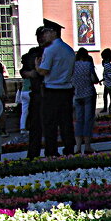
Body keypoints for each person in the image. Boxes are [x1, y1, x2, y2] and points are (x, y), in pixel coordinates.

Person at [36, 19, 76, 157]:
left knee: (50, 123)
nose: (44, 35)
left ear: (53, 33)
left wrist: (37, 66)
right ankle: (69, 149)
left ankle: (51, 151)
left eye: (46, 32)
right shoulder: (69, 50)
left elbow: (44, 71)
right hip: (67, 89)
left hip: (52, 90)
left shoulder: (50, 50)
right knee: (66, 122)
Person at [21, 26, 46, 159]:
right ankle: (33, 154)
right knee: (35, 126)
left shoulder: (52, 52)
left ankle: (52, 152)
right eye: (38, 36)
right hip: (36, 93)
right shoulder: (33, 53)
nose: (40, 39)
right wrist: (30, 73)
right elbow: (23, 71)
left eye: (42, 36)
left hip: (51, 93)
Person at [72, 48, 100, 154]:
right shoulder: (88, 65)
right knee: (88, 120)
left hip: (77, 95)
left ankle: (78, 146)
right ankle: (87, 146)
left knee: (79, 120)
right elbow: (94, 79)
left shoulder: (73, 66)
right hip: (89, 94)